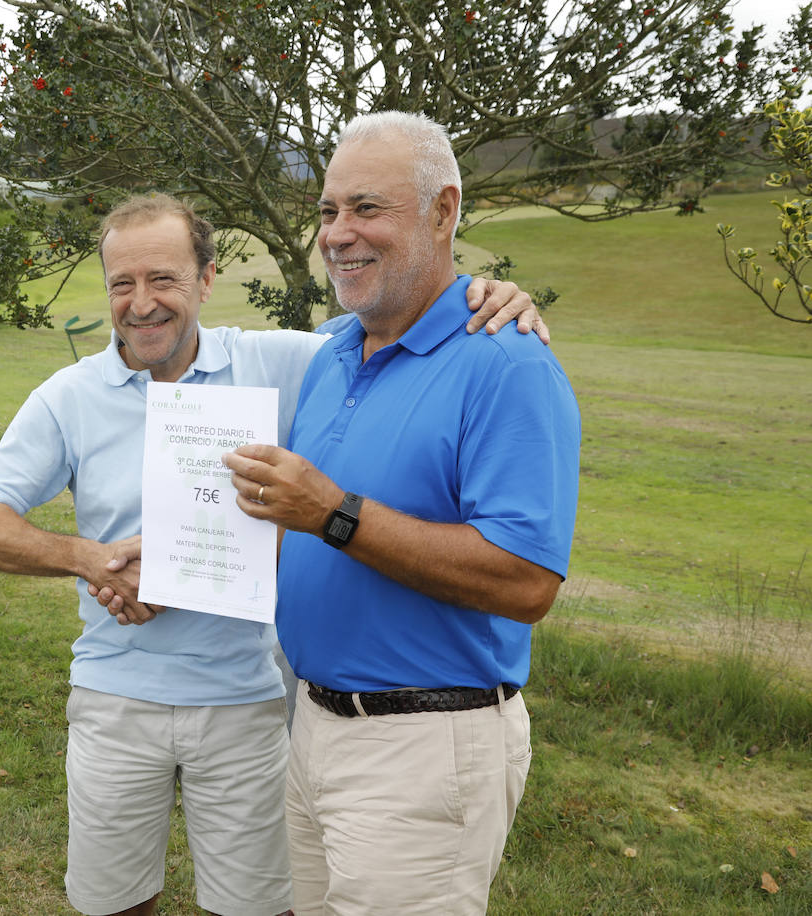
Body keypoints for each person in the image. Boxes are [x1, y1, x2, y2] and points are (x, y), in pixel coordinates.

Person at [0, 192, 543, 916]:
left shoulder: (286, 362)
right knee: (112, 903)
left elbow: (402, 319)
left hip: (247, 697)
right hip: (114, 694)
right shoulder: (69, 397)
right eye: (121, 284)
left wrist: (488, 296)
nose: (141, 304)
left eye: (163, 279)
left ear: (206, 279)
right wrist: (86, 557)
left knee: (259, 907)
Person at [224, 111, 581, 915]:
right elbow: (293, 531)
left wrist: (335, 515)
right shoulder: (334, 352)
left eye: (367, 209)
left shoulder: (507, 364)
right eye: (327, 211)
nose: (337, 235)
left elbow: (528, 582)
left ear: (444, 212)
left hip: (425, 748)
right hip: (314, 727)